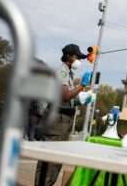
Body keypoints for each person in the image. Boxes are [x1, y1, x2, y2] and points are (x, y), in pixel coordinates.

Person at [35, 44, 91, 186]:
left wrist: (82, 99)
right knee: (49, 161)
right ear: (68, 56)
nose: (78, 59)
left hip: (64, 120)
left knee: (56, 161)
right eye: (76, 56)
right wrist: (82, 86)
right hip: (57, 121)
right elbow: (65, 96)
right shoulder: (62, 72)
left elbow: (68, 99)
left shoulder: (69, 73)